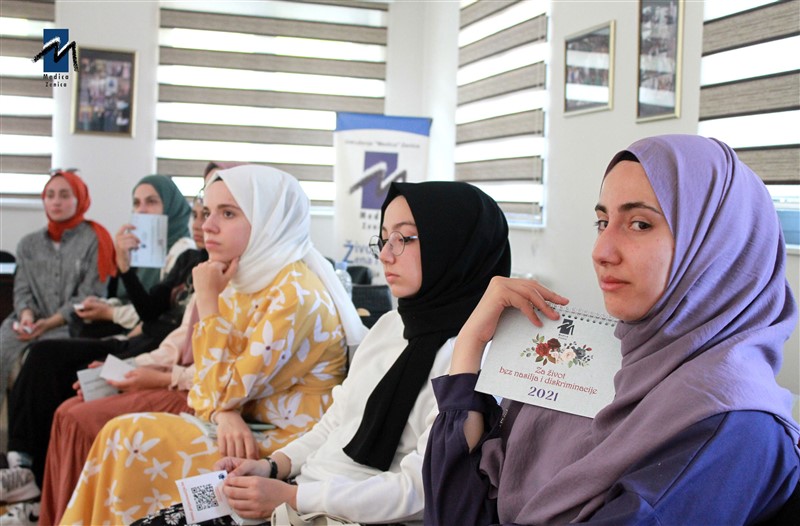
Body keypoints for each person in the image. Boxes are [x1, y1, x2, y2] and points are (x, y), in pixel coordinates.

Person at [423, 135, 800, 525]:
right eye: (602, 222)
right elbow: (455, 511)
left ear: (717, 245)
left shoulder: (729, 431)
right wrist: (470, 343)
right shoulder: (607, 373)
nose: (601, 251)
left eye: (640, 224)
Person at [133, 181, 513, 526]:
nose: (385, 255)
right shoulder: (391, 326)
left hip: (338, 513)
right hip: (305, 492)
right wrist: (273, 466)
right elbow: (337, 422)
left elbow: (421, 490)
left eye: (405, 238)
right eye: (383, 239)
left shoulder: (473, 358)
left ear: (456, 245)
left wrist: (293, 497)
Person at [61, 164, 366, 525]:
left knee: (129, 438)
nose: (208, 225)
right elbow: (210, 390)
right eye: (208, 212)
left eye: (228, 213)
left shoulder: (295, 294)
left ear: (268, 221)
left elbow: (216, 388)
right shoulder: (245, 276)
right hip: (242, 428)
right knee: (122, 435)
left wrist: (207, 303)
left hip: (285, 449)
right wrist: (225, 413)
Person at [0, 193, 207, 520]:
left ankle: (49, 497)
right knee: (47, 363)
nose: (203, 225)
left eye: (151, 202)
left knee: (71, 388)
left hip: (153, 351)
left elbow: (177, 336)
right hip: (146, 342)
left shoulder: (194, 258)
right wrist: (124, 268)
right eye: (136, 202)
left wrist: (117, 327)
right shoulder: (191, 259)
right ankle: (27, 472)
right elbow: (155, 315)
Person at [0, 170, 114, 412]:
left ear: (80, 199)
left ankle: (33, 430)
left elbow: (90, 293)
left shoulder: (94, 240)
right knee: (2, 348)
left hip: (71, 324)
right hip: (29, 320)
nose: (56, 202)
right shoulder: (28, 244)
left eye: (64, 195)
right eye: (50, 195)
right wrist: (27, 316)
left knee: (41, 361)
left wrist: (49, 323)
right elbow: (22, 289)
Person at [74, 174, 194, 337]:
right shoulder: (140, 244)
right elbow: (127, 297)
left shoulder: (184, 251)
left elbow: (158, 311)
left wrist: (109, 312)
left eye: (151, 202)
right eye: (136, 203)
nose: (141, 210)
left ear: (171, 206)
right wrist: (102, 304)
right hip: (130, 325)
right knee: (78, 324)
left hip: (153, 334)